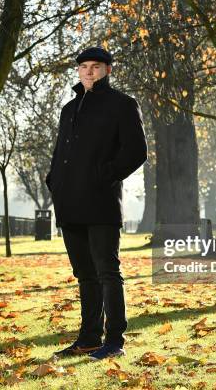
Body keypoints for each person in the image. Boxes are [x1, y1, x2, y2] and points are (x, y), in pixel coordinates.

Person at [45, 47, 147, 360]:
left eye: (96, 67)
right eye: (84, 67)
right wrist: (54, 181)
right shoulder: (69, 109)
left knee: (107, 272)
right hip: (69, 203)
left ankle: (114, 340)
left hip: (101, 202)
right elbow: (62, 152)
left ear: (107, 70)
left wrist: (105, 176)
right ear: (78, 71)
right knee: (85, 275)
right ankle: (89, 338)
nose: (89, 72)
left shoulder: (122, 105)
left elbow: (135, 152)